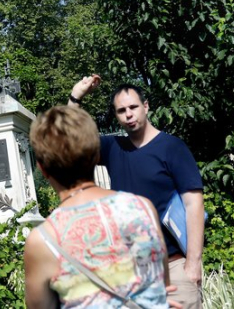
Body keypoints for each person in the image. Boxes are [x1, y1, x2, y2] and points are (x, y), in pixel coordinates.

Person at [69, 76, 204, 309]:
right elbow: (72, 137)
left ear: (146, 106)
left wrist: (193, 263)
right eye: (121, 111)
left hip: (173, 267)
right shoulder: (113, 148)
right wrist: (76, 97)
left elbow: (194, 204)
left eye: (133, 107)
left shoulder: (172, 147)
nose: (128, 114)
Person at [24, 105, 172, 308]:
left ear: (42, 168)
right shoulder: (143, 208)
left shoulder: (43, 240)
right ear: (96, 155)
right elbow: (162, 284)